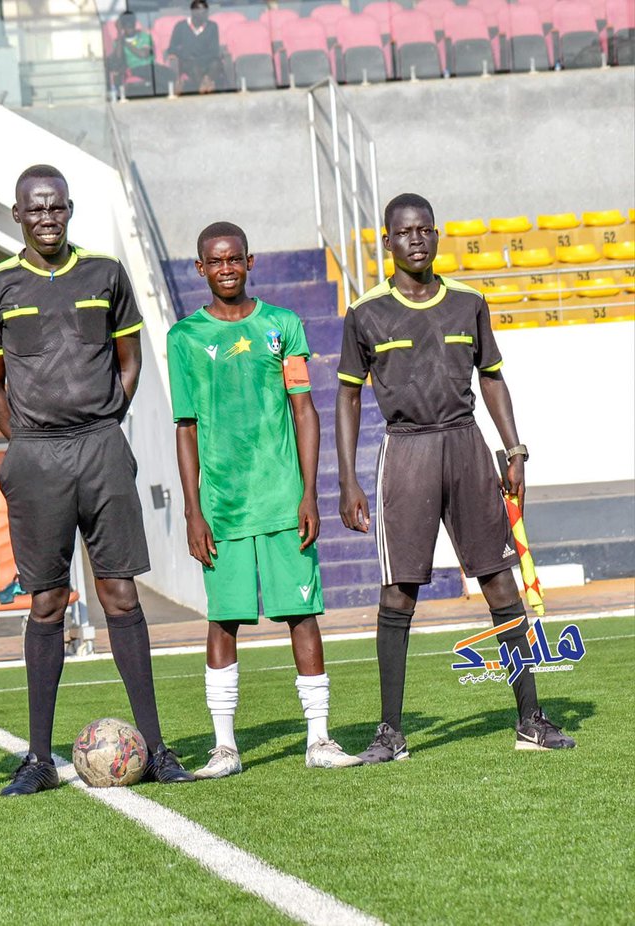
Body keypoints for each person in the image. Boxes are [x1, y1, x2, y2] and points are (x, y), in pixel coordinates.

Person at [0, 164, 194, 795]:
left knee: (120, 594)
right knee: (46, 602)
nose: (47, 218)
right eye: (34, 209)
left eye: (56, 208)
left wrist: (102, 425)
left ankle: (154, 748)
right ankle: (37, 759)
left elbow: (130, 363)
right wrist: (29, 439)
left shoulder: (106, 276)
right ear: (17, 215)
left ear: (68, 210)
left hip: (100, 447)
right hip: (35, 456)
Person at [336, 192, 577, 762]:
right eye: (404, 232)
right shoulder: (365, 313)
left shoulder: (469, 302)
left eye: (424, 229)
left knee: (500, 581)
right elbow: (346, 397)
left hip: (467, 445)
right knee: (399, 591)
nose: (415, 239)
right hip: (408, 452)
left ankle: (530, 720)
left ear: (436, 235)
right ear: (387, 242)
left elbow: (492, 379)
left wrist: (513, 448)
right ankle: (390, 733)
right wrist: (348, 480)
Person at [168, 222, 360, 778]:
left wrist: (309, 493)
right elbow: (185, 426)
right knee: (222, 621)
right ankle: (224, 747)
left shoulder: (283, 326)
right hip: (223, 506)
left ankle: (319, 739)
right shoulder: (184, 338)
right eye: (214, 261)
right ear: (200, 269)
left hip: (281, 499)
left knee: (301, 614)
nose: (225, 268)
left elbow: (304, 409)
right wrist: (193, 509)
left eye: (234, 259)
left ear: (249, 262)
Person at [167, 0, 224, 94]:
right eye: (201, 11)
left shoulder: (212, 26)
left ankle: (206, 82)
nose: (205, 14)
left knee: (216, 64)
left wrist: (200, 58)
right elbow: (172, 48)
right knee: (194, 66)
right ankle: (204, 87)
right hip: (189, 61)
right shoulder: (181, 26)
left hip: (207, 61)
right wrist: (184, 54)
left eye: (206, 11)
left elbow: (214, 50)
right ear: (193, 12)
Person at [109, 11, 158, 96]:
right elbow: (118, 58)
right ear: (123, 27)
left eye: (132, 25)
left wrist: (126, 43)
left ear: (135, 24)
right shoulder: (119, 43)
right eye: (127, 26)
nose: (130, 28)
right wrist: (120, 34)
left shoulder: (144, 36)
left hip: (151, 68)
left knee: (168, 75)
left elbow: (143, 54)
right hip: (134, 70)